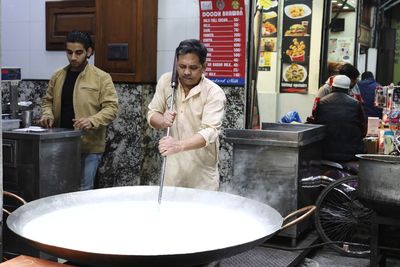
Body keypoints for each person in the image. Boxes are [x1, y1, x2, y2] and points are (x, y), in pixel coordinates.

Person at [39, 30, 119, 190]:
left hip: (88, 146)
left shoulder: (101, 77)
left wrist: (92, 120)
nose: (73, 57)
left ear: (89, 52)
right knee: (59, 189)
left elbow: (112, 108)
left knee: (83, 191)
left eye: (78, 52)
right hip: (59, 144)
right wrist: (47, 114)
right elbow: (47, 101)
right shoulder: (58, 75)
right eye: (69, 52)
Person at [147, 39, 226, 191]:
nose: (186, 72)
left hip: (201, 173)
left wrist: (178, 145)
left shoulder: (213, 93)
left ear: (204, 67)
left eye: (193, 67)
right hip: (173, 170)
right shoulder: (166, 81)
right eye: (182, 67)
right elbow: (152, 113)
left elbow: (210, 131)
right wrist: (162, 121)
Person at [313, 75, 367, 162]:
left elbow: (316, 124)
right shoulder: (356, 104)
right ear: (348, 89)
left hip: (325, 152)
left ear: (332, 87)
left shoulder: (321, 102)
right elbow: (364, 129)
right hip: (351, 153)